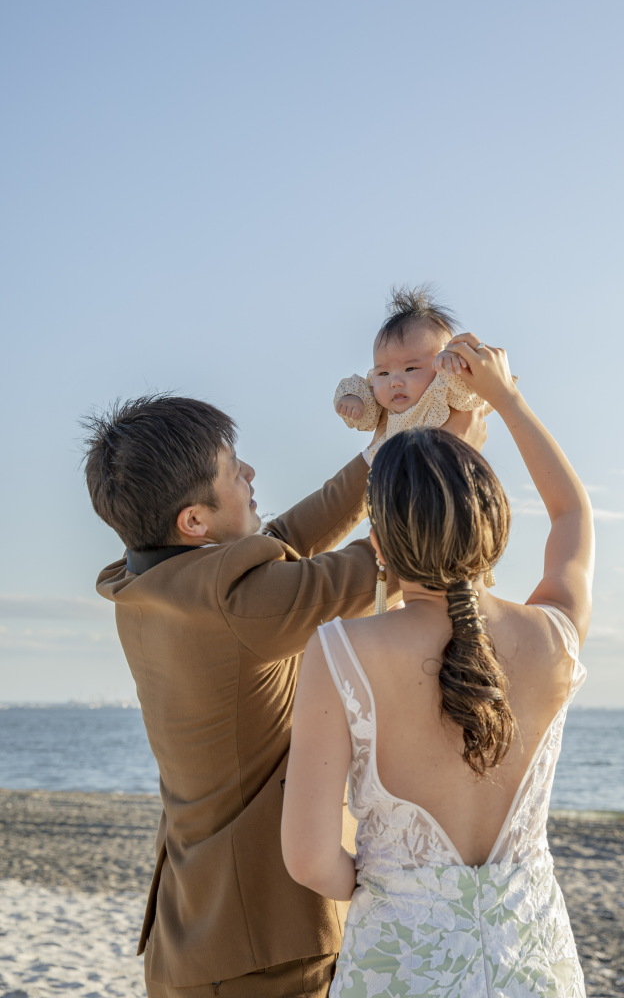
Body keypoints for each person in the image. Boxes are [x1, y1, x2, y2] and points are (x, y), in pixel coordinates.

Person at [82, 392, 485, 998]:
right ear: (194, 520)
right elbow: (396, 565)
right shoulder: (237, 605)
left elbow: (280, 539)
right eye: (232, 467)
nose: (249, 475)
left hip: (194, 936)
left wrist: (379, 452)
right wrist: (445, 460)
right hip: (263, 946)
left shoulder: (142, 581)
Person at [282, 335, 594, 998]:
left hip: (402, 965)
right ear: (497, 520)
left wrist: (390, 888)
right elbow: (572, 513)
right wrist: (505, 398)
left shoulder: (341, 651)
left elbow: (309, 859)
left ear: (382, 545)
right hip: (533, 965)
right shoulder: (554, 636)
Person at [334, 286, 489, 466]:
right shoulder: (382, 402)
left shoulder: (441, 389)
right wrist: (353, 399)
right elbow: (364, 397)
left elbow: (470, 394)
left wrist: (456, 366)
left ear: (440, 362)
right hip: (390, 479)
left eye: (410, 369)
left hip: (440, 473)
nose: (395, 382)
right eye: (383, 372)